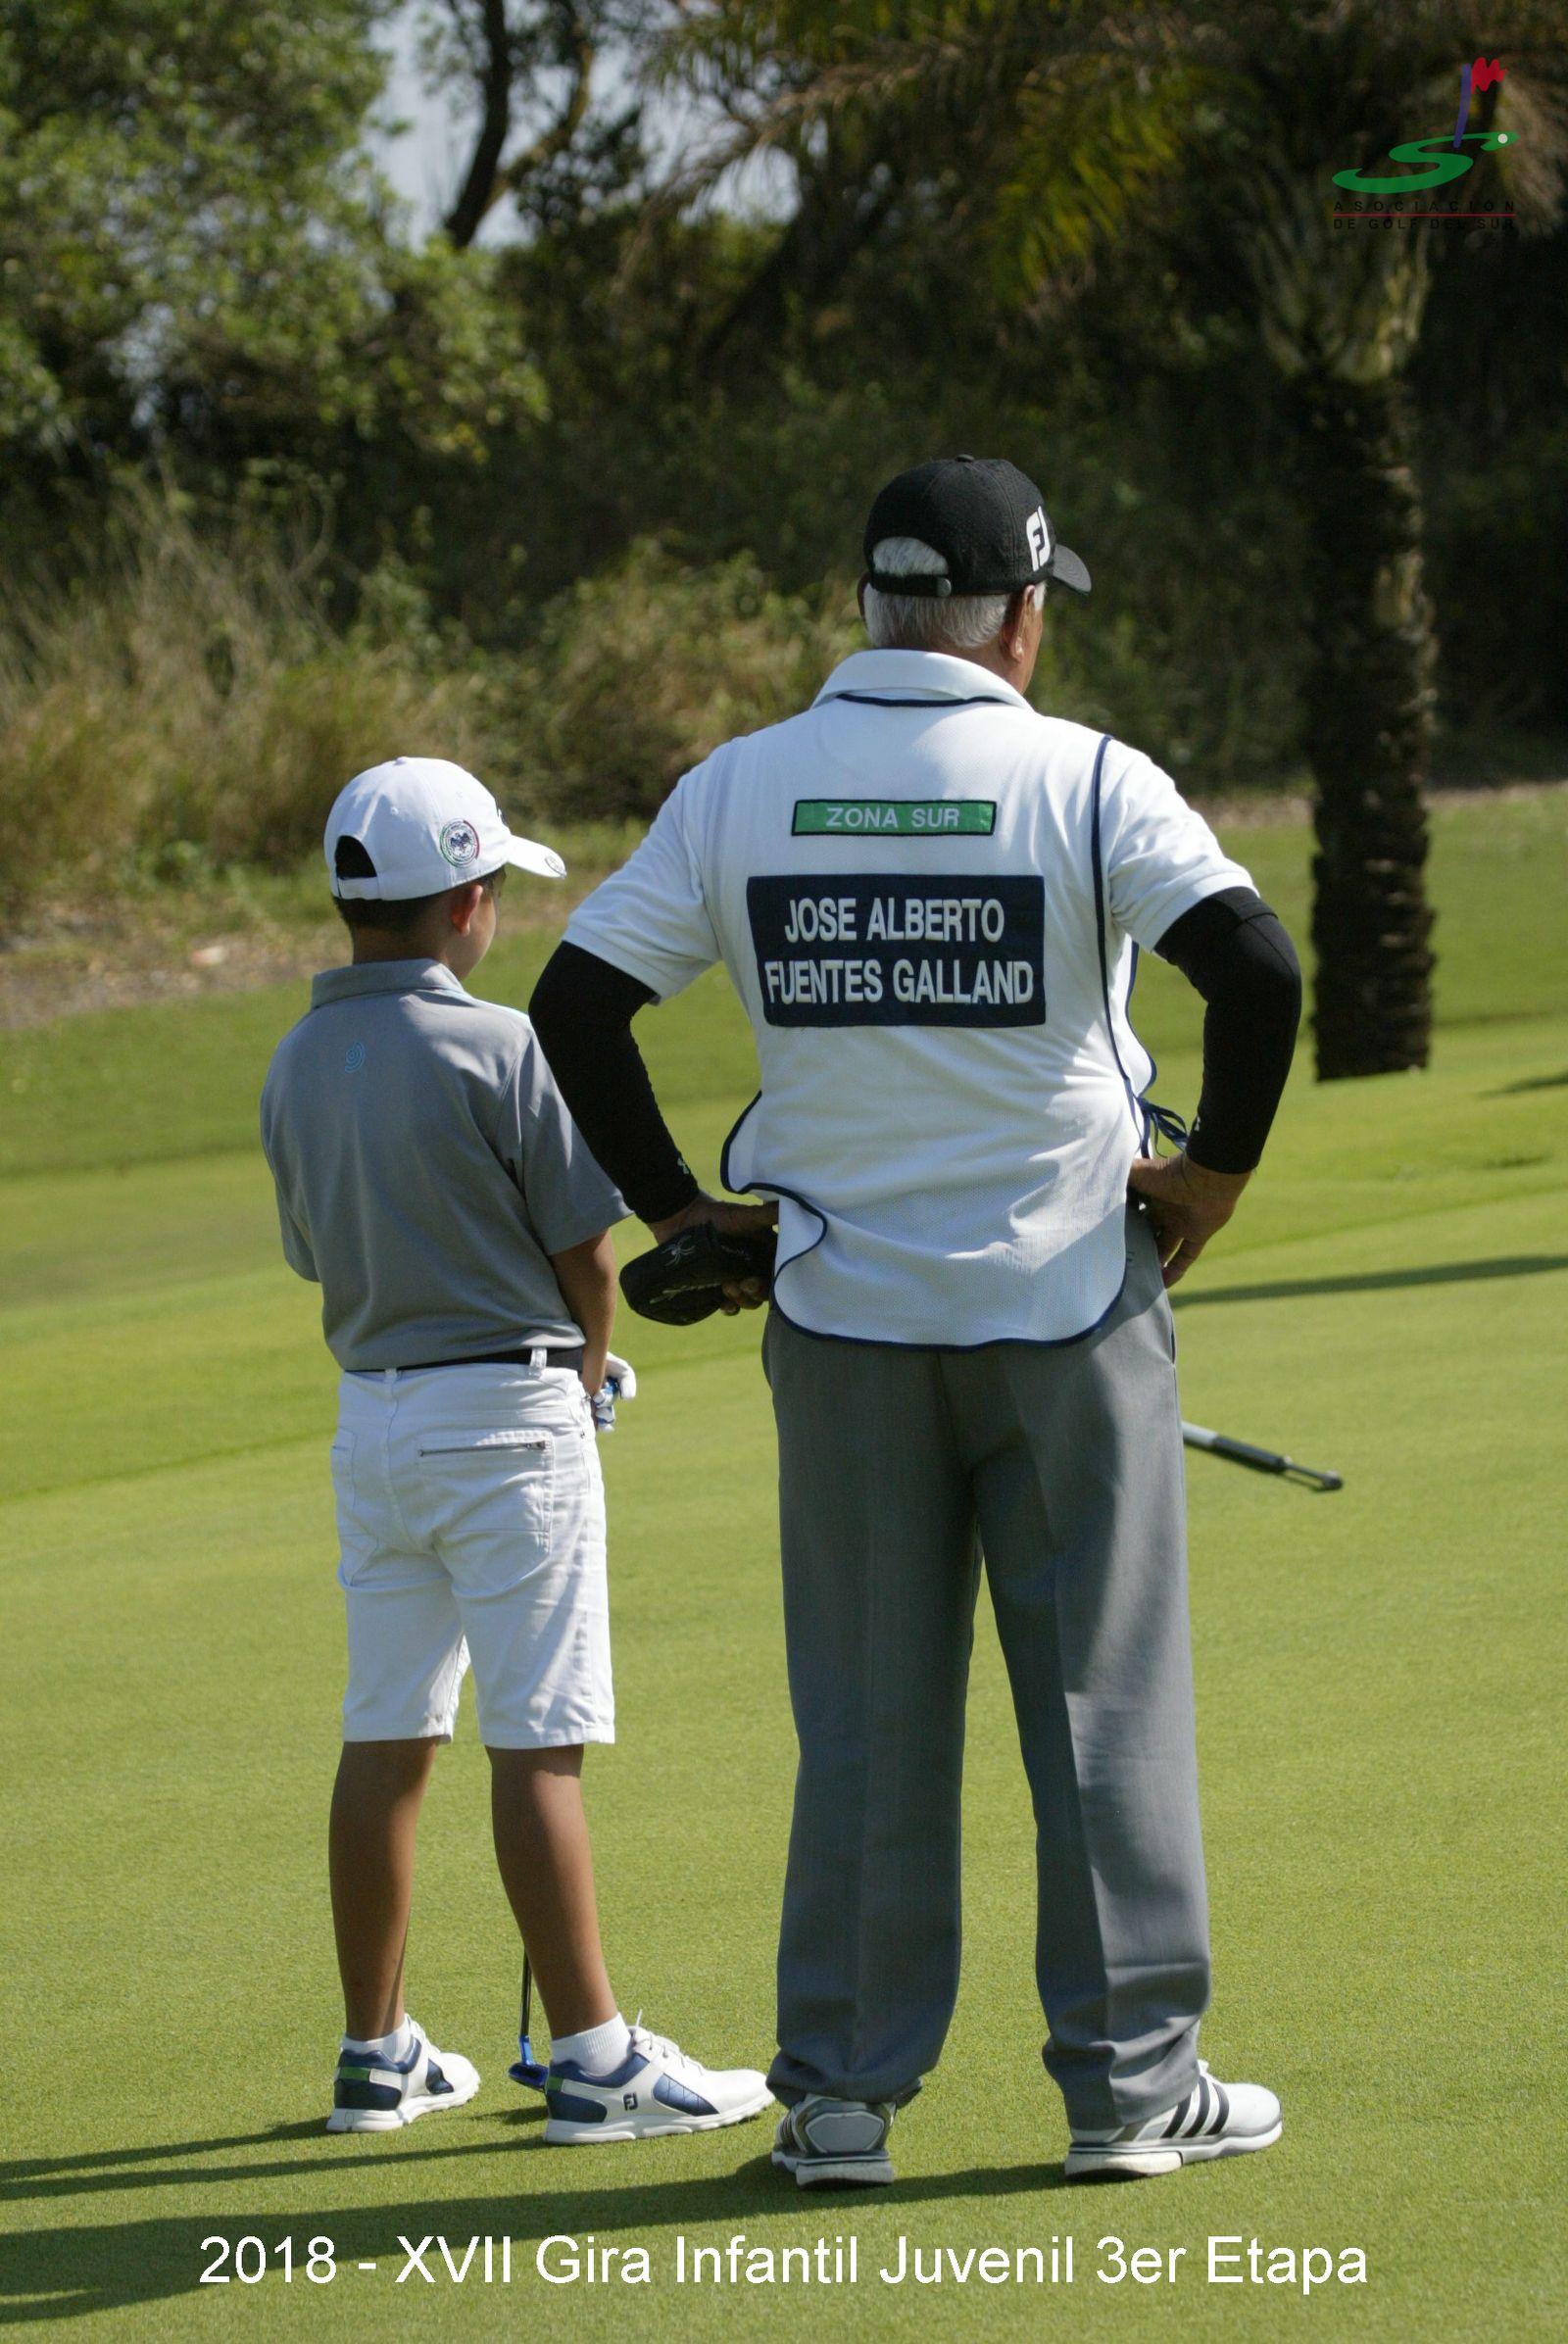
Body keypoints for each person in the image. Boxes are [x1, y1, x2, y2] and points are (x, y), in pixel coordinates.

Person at [528, 458, 1302, 2185]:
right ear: (1021, 619)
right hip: (1070, 1304)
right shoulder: (1089, 777)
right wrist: (1217, 1181)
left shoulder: (740, 787)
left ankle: (842, 2100)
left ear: (872, 611)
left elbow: (575, 1002)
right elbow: (1257, 969)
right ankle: (1130, 2095)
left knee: (870, 1717)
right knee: (1101, 1704)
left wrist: (678, 1212)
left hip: (842, 1314)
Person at [260, 755, 769, 2140]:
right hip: (511, 1422)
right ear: (467, 903)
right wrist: (589, 1380)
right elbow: (588, 1261)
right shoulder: (501, 1047)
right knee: (539, 1745)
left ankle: (377, 2054)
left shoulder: (294, 1060)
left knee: (387, 1736)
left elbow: (316, 1254)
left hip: (374, 1427)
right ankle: (596, 2061)